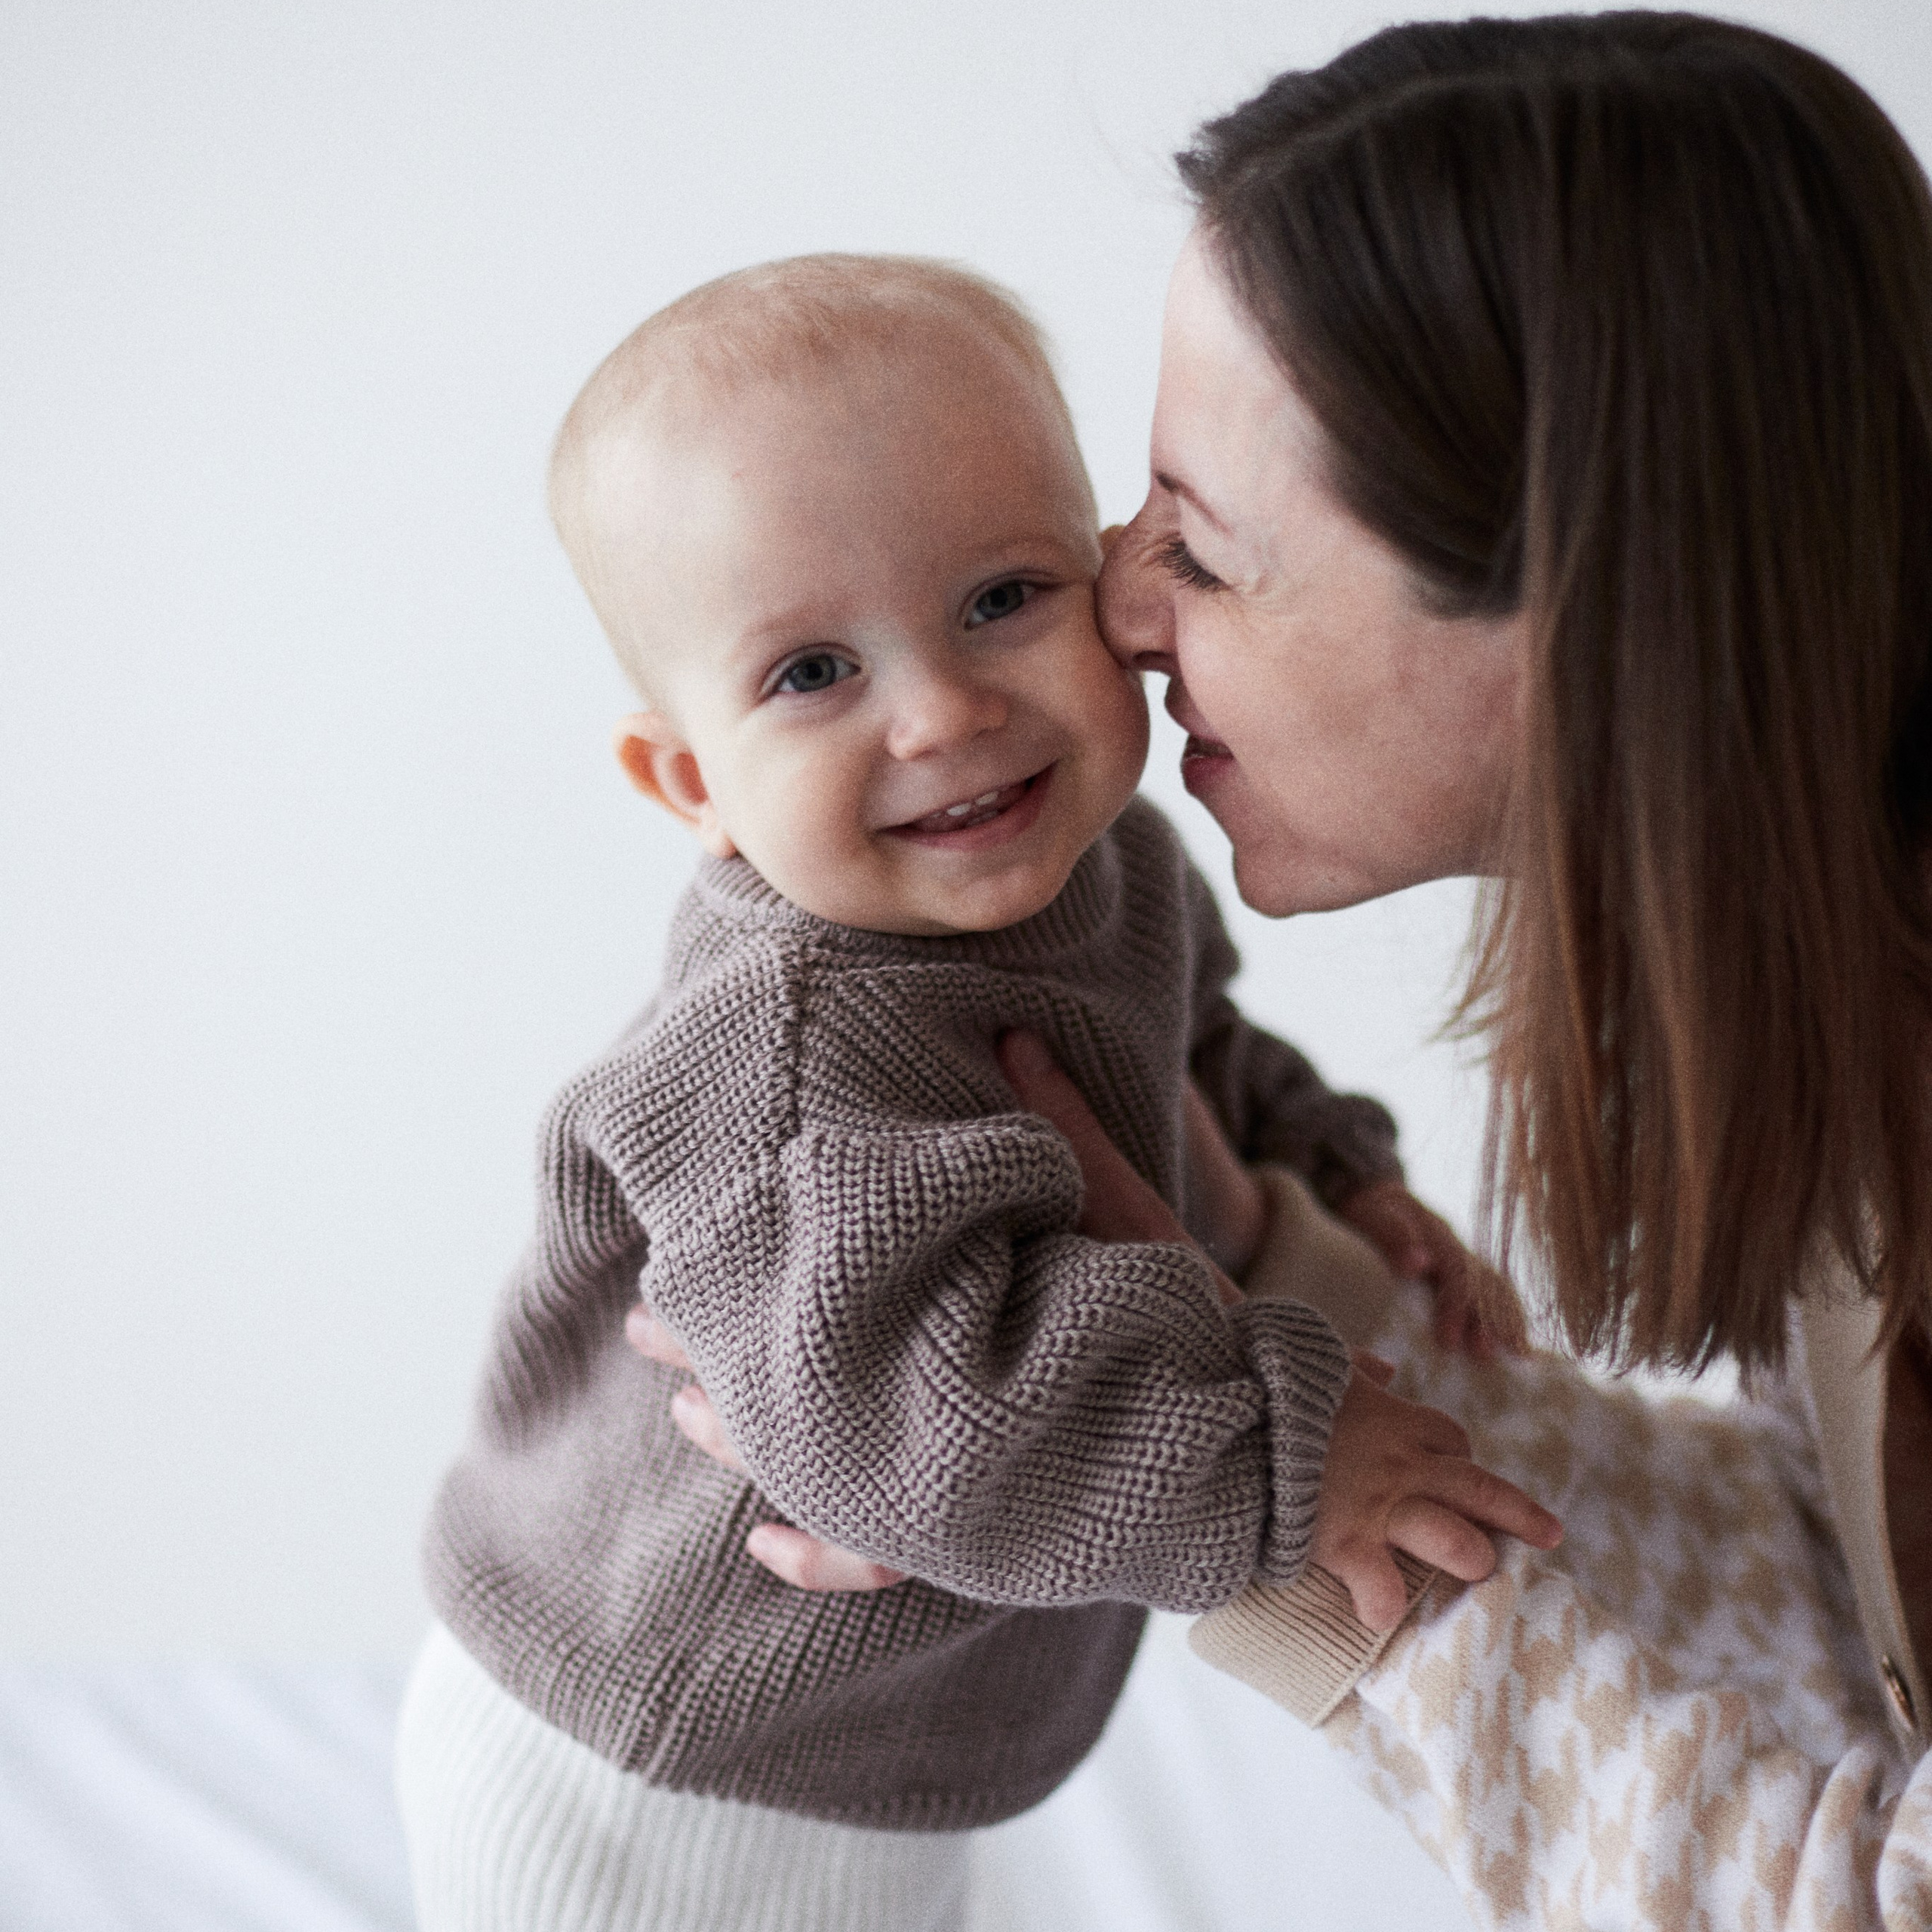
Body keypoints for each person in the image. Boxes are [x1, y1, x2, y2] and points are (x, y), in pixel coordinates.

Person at [644, 15, 1932, 1926]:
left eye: (1209, 549)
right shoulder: (1843, 997)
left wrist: (1232, 1500)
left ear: (1584, 614)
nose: (1122, 608)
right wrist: (1239, 1277)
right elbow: (1840, 1595)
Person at [395, 252, 1560, 1932]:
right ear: (688, 779)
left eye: (1000, 596)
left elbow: (1193, 1059)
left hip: (866, 1743)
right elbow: (907, 1416)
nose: (944, 711)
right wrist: (1290, 1452)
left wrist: (1334, 1171)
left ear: (1106, 578)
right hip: (658, 1756)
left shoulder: (1111, 867)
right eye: (811, 673)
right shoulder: (789, 1055)